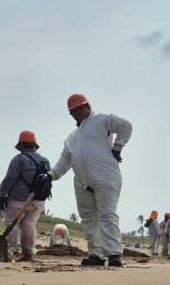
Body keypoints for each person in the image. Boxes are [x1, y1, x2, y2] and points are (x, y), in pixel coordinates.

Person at [50, 93, 132, 267]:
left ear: (88, 106)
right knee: (88, 219)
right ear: (71, 114)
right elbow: (64, 161)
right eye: (73, 111)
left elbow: (126, 126)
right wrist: (51, 175)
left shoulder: (102, 120)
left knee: (107, 216)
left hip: (106, 178)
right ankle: (96, 254)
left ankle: (113, 255)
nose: (77, 112)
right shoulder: (71, 138)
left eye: (80, 108)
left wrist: (118, 147)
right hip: (82, 183)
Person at [0, 130, 50, 262]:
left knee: (12, 225)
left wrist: (2, 196)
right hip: (38, 200)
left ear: (21, 145)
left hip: (17, 199)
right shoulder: (45, 160)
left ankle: (8, 253)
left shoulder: (18, 159)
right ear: (34, 145)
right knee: (29, 225)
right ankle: (28, 252)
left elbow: (9, 179)